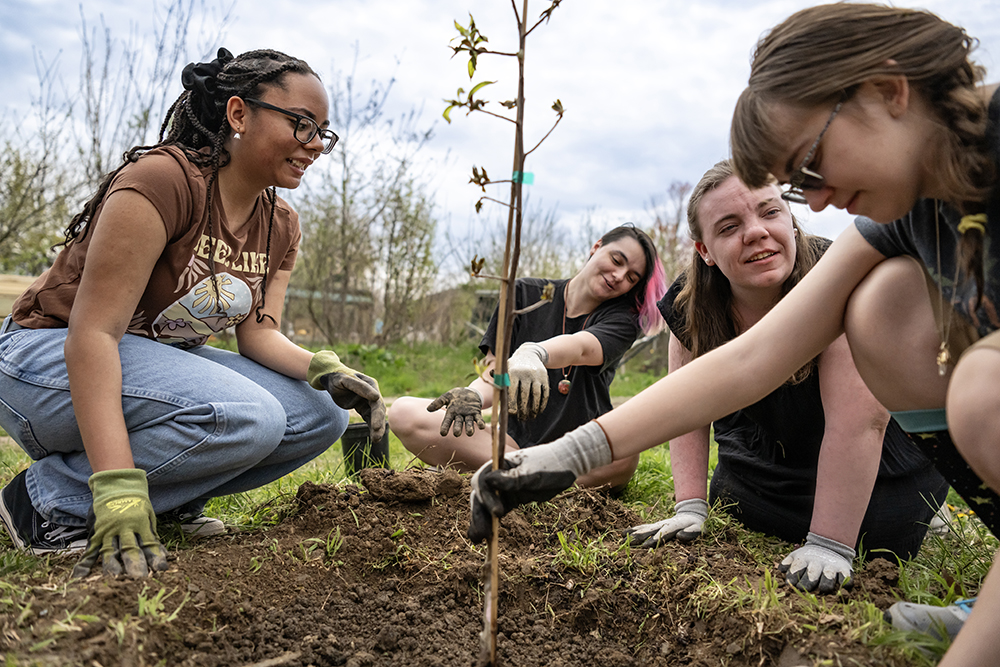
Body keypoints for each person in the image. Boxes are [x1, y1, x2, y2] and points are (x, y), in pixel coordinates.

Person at [466, 5, 1000, 664]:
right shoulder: (910, 213)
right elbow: (756, 356)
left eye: (808, 168)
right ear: (704, 249)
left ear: (887, 90)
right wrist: (566, 456)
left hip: (902, 480)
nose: (822, 200)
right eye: (801, 184)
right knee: (883, 306)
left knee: (981, 385)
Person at [0, 48, 386, 578]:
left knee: (320, 415)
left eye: (323, 131)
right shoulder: (163, 182)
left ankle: (168, 501)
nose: (316, 145)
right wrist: (115, 486)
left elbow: (259, 337)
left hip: (141, 365)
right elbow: (92, 336)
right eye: (301, 124)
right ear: (238, 114)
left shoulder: (280, 225)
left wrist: (325, 369)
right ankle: (47, 502)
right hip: (41, 362)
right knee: (249, 414)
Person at [625, 160, 949, 593]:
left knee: (881, 534)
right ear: (705, 252)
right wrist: (689, 506)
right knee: (733, 501)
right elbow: (686, 409)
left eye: (770, 212)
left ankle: (919, 516)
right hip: (773, 448)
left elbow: (860, 422)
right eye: (728, 226)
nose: (756, 231)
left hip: (876, 454)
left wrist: (830, 544)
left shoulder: (840, 277)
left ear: (792, 222)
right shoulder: (691, 303)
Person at [389, 224, 666, 490]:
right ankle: (525, 475)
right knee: (404, 413)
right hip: (512, 443)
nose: (619, 275)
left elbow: (581, 347)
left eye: (631, 277)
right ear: (596, 247)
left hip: (579, 452)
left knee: (625, 456)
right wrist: (472, 396)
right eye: (617, 260)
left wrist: (533, 352)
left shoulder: (623, 320)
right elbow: (495, 374)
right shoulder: (524, 295)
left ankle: (501, 471)